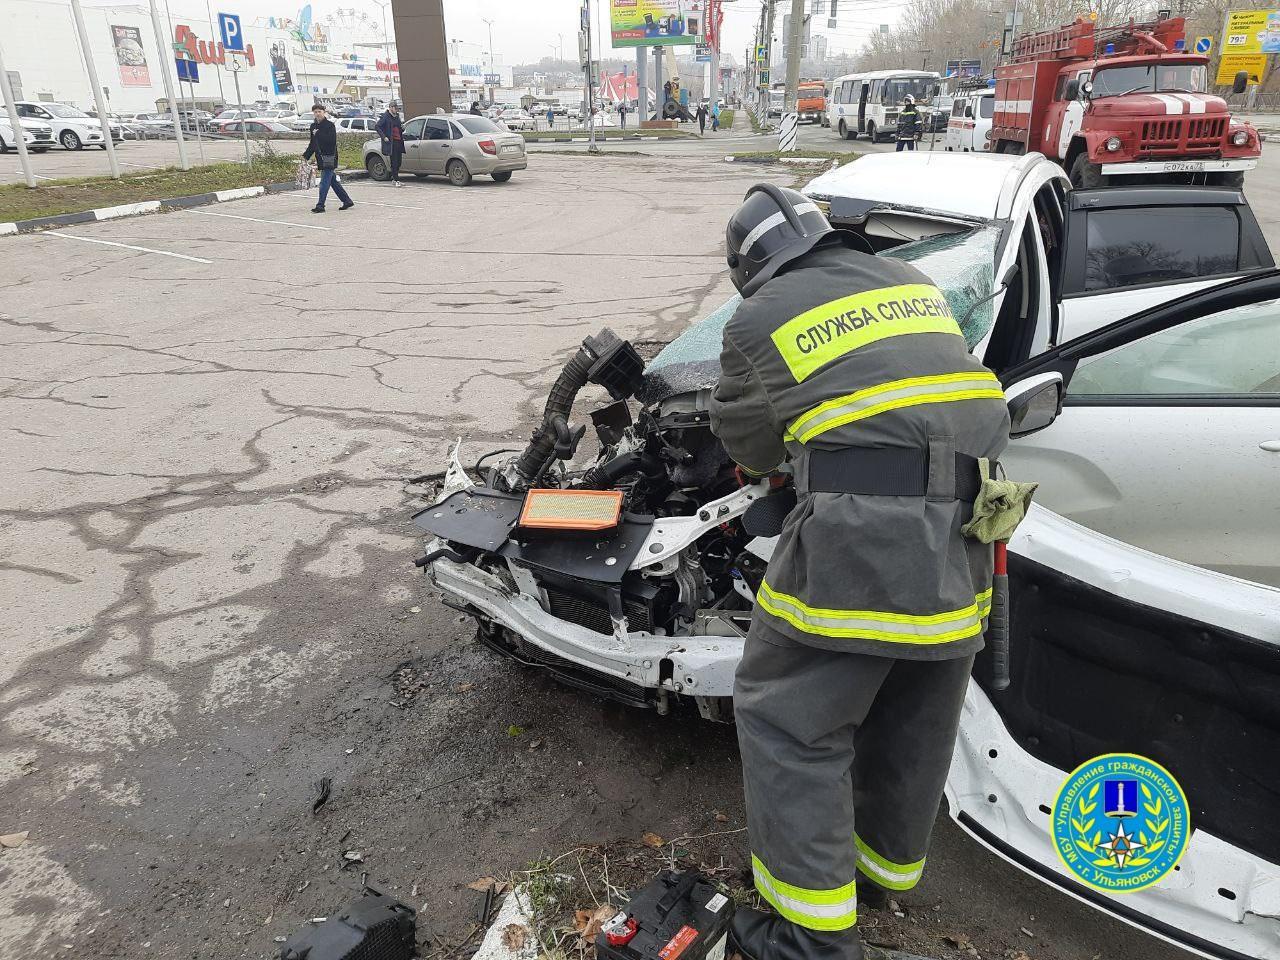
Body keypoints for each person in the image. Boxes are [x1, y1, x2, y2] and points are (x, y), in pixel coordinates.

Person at [710, 184, 1010, 960]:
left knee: (790, 719)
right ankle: (879, 877)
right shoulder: (914, 285)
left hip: (861, 548)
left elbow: (752, 449)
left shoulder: (757, 317)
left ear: (754, 268)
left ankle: (810, 938)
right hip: (965, 542)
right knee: (913, 715)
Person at [303, 104, 353, 213]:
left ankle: (320, 205)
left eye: (319, 111)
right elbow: (313, 143)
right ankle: (347, 200)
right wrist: (306, 156)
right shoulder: (313, 126)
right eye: (315, 112)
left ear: (324, 112)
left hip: (330, 157)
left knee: (324, 182)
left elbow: (331, 141)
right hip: (320, 157)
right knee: (333, 181)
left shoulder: (330, 125)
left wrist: (318, 133)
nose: (317, 114)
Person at [376, 100, 405, 188]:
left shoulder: (397, 117)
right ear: (391, 108)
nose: (396, 110)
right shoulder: (386, 117)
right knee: (394, 161)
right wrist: (384, 137)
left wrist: (402, 128)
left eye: (397, 108)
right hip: (391, 142)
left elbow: (399, 127)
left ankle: (395, 179)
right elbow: (377, 126)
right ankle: (396, 180)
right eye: (395, 108)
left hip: (399, 141)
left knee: (399, 161)